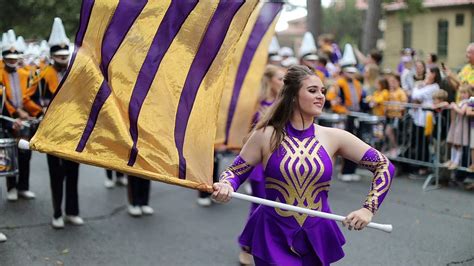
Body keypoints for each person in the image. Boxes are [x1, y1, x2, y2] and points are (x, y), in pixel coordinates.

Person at [212, 65, 394, 266]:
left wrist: (368, 209)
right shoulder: (265, 135)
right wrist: (226, 185)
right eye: (312, 90)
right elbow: (234, 172)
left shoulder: (334, 137)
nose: (321, 96)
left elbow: (383, 166)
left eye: (322, 91)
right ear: (292, 96)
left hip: (316, 233)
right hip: (273, 234)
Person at [32, 18, 84, 229]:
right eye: (60, 56)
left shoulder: (75, 73)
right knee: (56, 173)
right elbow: (32, 98)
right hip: (52, 130)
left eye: (66, 55)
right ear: (52, 56)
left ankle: (72, 211)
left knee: (73, 171)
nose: (63, 59)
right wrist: (41, 109)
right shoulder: (43, 74)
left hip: (72, 130)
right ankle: (56, 213)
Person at [239, 64, 284, 265]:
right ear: (270, 81)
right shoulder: (259, 105)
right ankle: (247, 246)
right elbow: (247, 135)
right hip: (260, 165)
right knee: (260, 206)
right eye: (280, 79)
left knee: (277, 208)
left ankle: (268, 247)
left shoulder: (286, 105)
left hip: (281, 163)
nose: (283, 83)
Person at [1, 29, 42, 201]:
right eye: (9, 58)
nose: (12, 61)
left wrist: (31, 112)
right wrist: (16, 113)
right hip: (7, 119)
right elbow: (2, 99)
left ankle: (23, 187)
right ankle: (11, 187)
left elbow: (30, 97)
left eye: (15, 58)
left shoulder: (25, 74)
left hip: (25, 120)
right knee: (10, 153)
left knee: (26, 154)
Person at [445, 85, 472, 169]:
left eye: (464, 93)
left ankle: (456, 161)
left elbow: (462, 112)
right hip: (456, 124)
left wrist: (454, 106)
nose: (462, 95)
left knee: (458, 144)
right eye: (461, 92)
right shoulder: (460, 101)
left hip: (462, 125)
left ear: (469, 94)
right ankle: (452, 160)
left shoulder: (467, 102)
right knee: (453, 143)